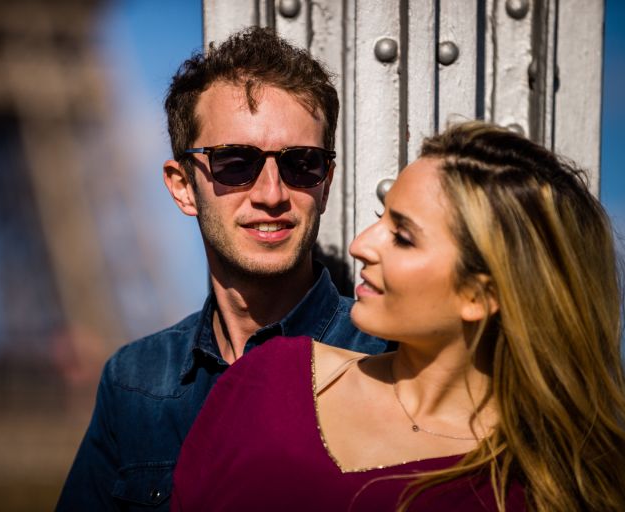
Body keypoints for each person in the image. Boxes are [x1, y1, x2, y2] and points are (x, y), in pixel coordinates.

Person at [171, 121, 625, 511]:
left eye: (402, 236)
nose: (360, 245)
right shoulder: (268, 380)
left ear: (479, 295)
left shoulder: (542, 488)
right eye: (382, 217)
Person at [56, 27, 391, 511]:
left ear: (325, 183)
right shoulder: (133, 383)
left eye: (302, 163)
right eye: (235, 163)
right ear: (182, 187)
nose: (272, 194)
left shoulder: (389, 360)